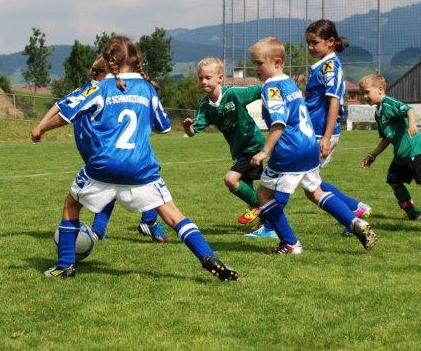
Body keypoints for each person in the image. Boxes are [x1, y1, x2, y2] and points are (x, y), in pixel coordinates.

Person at [33, 36, 238, 280]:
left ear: (108, 60)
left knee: (71, 205)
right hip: (140, 168)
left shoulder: (99, 87)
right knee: (173, 215)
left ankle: (65, 265)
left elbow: (67, 113)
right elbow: (163, 127)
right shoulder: (147, 88)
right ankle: (209, 257)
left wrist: (41, 128)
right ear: (134, 59)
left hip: (104, 166)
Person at [249, 37, 377, 254]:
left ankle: (290, 243)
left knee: (263, 195)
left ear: (277, 62)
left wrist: (264, 151)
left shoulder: (271, 87)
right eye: (254, 63)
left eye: (259, 63)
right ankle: (354, 221)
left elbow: (279, 124)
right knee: (315, 191)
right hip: (309, 146)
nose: (255, 68)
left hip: (289, 150)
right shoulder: (290, 82)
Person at [33, 57, 169, 243]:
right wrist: (41, 127)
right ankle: (136, 224)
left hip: (104, 149)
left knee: (118, 184)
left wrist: (40, 126)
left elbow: (59, 105)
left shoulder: (103, 88)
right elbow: (61, 107)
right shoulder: (97, 88)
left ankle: (107, 229)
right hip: (101, 149)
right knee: (127, 184)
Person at [183, 57, 277, 239]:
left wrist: (277, 85)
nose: (203, 81)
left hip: (252, 144)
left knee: (231, 180)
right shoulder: (205, 106)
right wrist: (187, 126)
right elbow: (193, 132)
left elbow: (259, 90)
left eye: (208, 77)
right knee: (247, 187)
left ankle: (264, 211)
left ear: (220, 78)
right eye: (201, 78)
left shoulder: (233, 94)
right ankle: (267, 224)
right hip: (238, 150)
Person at [303, 20, 372, 229]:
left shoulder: (330, 66)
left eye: (315, 42)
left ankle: (353, 213)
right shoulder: (324, 65)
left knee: (305, 181)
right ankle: (354, 208)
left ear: (330, 41)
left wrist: (326, 137)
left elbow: (334, 101)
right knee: (309, 181)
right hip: (314, 131)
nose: (310, 47)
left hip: (320, 132)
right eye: (308, 43)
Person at [357, 74, 421, 220]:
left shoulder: (388, 103)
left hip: (413, 148)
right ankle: (413, 213)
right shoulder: (378, 113)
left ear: (380, 89)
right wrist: (372, 155)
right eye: (363, 93)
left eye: (367, 92)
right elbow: (386, 138)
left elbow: (409, 109)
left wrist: (412, 124)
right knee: (393, 180)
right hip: (401, 153)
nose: (365, 96)